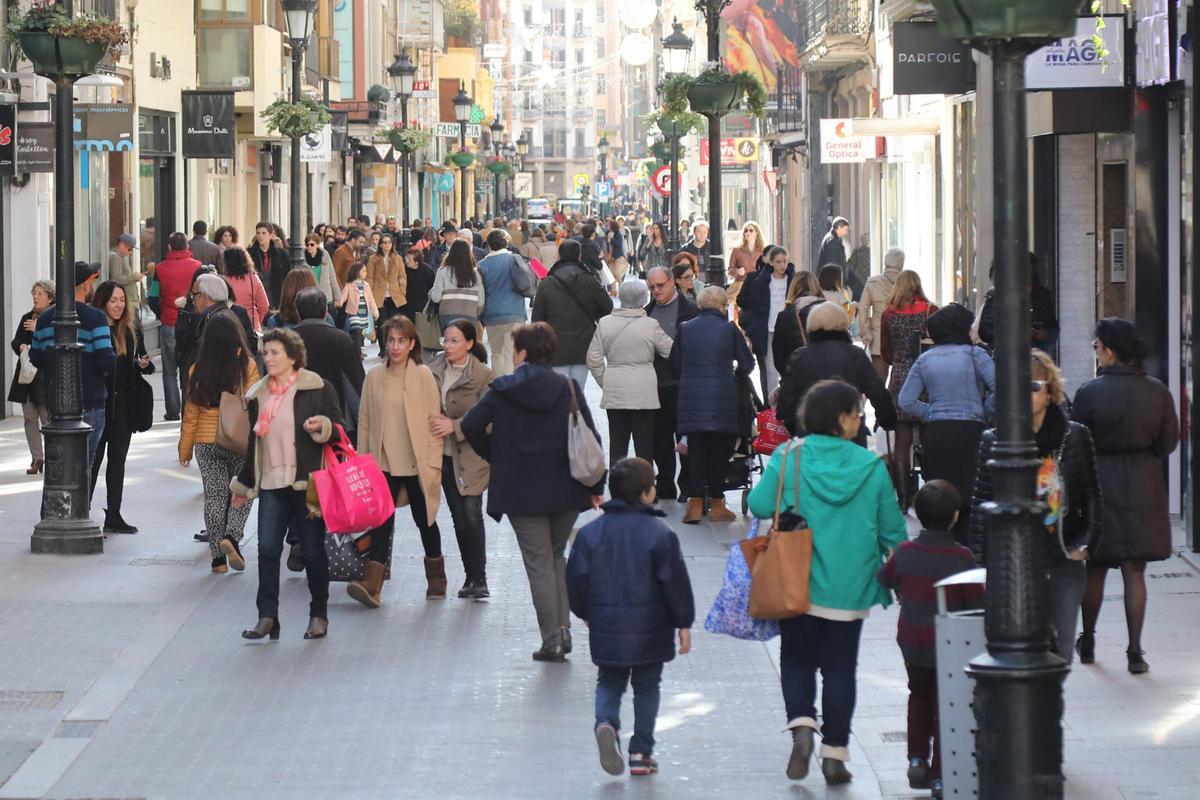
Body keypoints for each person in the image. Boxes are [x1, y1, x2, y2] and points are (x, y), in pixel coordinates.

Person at [746, 380, 907, 785]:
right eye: (856, 413)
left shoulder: (791, 456)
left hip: (795, 579)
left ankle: (802, 724)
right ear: (841, 419)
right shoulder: (870, 466)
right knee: (840, 668)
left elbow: (760, 504)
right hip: (851, 585)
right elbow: (893, 533)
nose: (860, 420)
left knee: (797, 657)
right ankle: (835, 751)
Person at [461, 322, 605, 662]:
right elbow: (590, 436)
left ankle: (552, 639)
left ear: (523, 353)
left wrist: (494, 452)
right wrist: (596, 487)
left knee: (539, 563)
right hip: (566, 488)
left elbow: (469, 426)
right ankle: (564, 629)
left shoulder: (502, 389)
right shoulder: (567, 386)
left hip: (520, 490)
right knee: (556, 556)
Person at [566, 457, 695, 777]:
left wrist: (585, 612)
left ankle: (606, 723)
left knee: (609, 679)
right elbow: (675, 583)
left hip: (606, 625)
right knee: (647, 687)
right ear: (648, 493)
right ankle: (641, 752)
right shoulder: (660, 533)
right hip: (652, 628)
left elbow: (576, 579)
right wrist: (683, 624)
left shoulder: (589, 534)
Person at [972, 350, 1101, 666]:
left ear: (1050, 391)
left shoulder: (1075, 436)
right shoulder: (995, 440)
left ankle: (1051, 713)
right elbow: (980, 507)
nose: (1026, 395)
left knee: (1061, 651)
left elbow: (1093, 497)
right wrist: (978, 565)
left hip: (1063, 557)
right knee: (1020, 650)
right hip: (1014, 560)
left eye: (1034, 387)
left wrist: (1085, 544)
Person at [1073, 319, 1178, 674]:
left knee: (1097, 567)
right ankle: (1135, 652)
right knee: (1135, 570)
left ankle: (1087, 639)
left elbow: (1076, 439)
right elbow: (1169, 442)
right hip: (1144, 482)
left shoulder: (1090, 392)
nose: (1096, 353)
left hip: (1101, 480)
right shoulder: (1158, 391)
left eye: (1097, 347)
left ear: (1109, 350)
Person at [232, 328, 343, 642]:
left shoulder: (317, 388)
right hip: (271, 483)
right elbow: (254, 445)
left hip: (305, 483)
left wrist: (324, 427)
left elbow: (340, 427)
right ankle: (267, 616)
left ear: (293, 356)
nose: (268, 358)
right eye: (265, 353)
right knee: (267, 550)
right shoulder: (259, 394)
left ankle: (318, 614)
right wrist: (243, 486)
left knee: (311, 552)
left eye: (275, 353)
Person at [877, 481, 983, 799]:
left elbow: (885, 577)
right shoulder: (962, 557)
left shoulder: (908, 552)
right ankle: (940, 775)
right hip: (949, 647)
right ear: (954, 517)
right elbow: (975, 604)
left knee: (918, 696)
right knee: (945, 705)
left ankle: (916, 758)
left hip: (912, 641)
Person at [353, 315, 446, 605]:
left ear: (411, 343)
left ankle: (436, 577)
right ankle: (373, 584)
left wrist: (432, 462)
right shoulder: (375, 377)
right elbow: (365, 421)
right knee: (382, 521)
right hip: (384, 463)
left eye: (401, 341)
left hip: (416, 463)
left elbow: (434, 421)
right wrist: (364, 460)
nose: (395, 347)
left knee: (425, 520)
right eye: (391, 340)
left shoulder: (423, 376)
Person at [898, 304, 995, 542]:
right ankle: (968, 547)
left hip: (937, 433)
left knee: (941, 495)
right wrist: (984, 410)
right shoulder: (976, 355)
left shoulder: (925, 359)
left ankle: (942, 545)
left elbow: (906, 400)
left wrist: (931, 412)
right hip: (971, 432)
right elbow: (1001, 388)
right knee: (972, 492)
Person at [179, 313, 259, 573]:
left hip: (206, 441)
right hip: (237, 438)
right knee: (242, 491)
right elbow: (255, 401)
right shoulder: (246, 366)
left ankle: (217, 560)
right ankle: (232, 536)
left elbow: (190, 412)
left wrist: (185, 448)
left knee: (213, 497)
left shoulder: (197, 369)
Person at [672, 286, 754, 524]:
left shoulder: (685, 329)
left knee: (696, 450)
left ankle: (695, 504)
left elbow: (675, 365)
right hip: (722, 398)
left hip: (692, 399)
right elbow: (747, 365)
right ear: (722, 306)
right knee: (719, 450)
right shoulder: (729, 330)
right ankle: (717, 504)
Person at [428, 320, 494, 599]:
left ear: (469, 343)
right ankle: (470, 576)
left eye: (454, 341)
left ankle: (479, 578)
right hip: (441, 454)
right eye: (445, 340)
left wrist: (454, 427)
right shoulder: (432, 369)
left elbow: (489, 417)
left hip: (472, 454)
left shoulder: (483, 375)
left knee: (471, 514)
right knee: (458, 517)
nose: (448, 346)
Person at [30, 262, 114, 475]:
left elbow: (36, 357)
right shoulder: (96, 318)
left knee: (59, 468)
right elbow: (106, 359)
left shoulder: (44, 319)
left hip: (56, 404)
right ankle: (79, 509)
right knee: (84, 467)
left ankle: (56, 508)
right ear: (86, 285)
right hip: (92, 401)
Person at [776, 302, 896, 446]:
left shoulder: (799, 357)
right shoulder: (855, 355)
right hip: (850, 434)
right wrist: (887, 419)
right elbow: (877, 392)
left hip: (810, 437)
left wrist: (794, 426)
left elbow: (786, 400)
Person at [89, 280, 154, 534]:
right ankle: (82, 511)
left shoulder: (130, 328)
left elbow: (143, 363)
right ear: (102, 302)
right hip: (100, 404)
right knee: (93, 461)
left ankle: (113, 513)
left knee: (118, 461)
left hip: (124, 405)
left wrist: (143, 364)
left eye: (122, 300)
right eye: (113, 300)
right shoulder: (96, 328)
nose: (119, 305)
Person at [587, 280, 675, 466]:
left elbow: (593, 359)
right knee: (644, 445)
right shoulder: (651, 325)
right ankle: (644, 488)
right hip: (644, 392)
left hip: (616, 391)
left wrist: (607, 382)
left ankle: (618, 485)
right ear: (643, 300)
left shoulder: (604, 323)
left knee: (618, 443)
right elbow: (671, 352)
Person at [881, 270, 937, 510]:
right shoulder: (930, 311)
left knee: (901, 442)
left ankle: (903, 499)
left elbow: (885, 353)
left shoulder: (888, 314)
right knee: (928, 437)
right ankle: (933, 493)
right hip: (926, 377)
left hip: (901, 377)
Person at [645, 266, 698, 500]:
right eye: (651, 287)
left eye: (660, 285)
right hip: (655, 383)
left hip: (683, 383)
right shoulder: (646, 312)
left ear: (672, 283)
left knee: (685, 438)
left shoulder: (690, 310)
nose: (656, 290)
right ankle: (665, 483)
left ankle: (686, 485)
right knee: (659, 438)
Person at [531, 239, 613, 388]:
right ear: (579, 256)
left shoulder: (547, 283)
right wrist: (593, 313)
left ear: (559, 256)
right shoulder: (589, 281)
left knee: (556, 393)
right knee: (578, 391)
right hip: (583, 345)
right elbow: (608, 307)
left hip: (555, 347)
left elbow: (537, 320)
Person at [293, 288, 365, 442]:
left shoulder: (288, 341)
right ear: (326, 311)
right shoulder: (341, 339)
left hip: (295, 416)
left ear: (298, 312)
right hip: (336, 417)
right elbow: (356, 384)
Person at [737, 245, 793, 400]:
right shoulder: (761, 282)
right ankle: (772, 408)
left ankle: (787, 401)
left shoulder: (792, 280)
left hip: (787, 330)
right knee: (770, 370)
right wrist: (751, 334)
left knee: (789, 367)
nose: (782, 265)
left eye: (785, 261)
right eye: (778, 262)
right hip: (768, 329)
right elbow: (756, 310)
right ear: (771, 263)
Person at [9, 279, 54, 475]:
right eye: (34, 294)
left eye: (40, 294)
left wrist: (38, 330)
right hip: (27, 374)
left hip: (44, 375)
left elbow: (55, 342)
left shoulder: (54, 317)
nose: (35, 297)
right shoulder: (27, 317)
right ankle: (37, 458)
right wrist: (20, 346)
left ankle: (54, 458)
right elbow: (16, 340)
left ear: (50, 297)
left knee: (47, 418)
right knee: (29, 418)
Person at [156, 233, 200, 421]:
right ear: (187, 246)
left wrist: (162, 312)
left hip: (169, 322)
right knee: (189, 367)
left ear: (169, 247)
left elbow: (152, 296)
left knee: (169, 369)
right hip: (191, 323)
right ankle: (188, 407)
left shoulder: (160, 268)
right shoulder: (197, 266)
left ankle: (172, 410)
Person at [975, 253, 1059, 351]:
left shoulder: (1042, 297)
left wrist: (1043, 334)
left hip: (1035, 355)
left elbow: (1053, 330)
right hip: (1005, 354)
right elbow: (985, 331)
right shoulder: (997, 298)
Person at [478, 229, 530, 376]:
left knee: (496, 354)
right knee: (510, 354)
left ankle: (498, 387)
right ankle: (508, 387)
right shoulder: (515, 259)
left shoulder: (482, 265)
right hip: (515, 313)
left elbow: (481, 294)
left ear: (488, 244)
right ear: (507, 243)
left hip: (493, 316)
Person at [858, 247, 905, 380]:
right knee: (900, 380)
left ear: (885, 262)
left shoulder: (873, 282)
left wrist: (866, 332)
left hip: (878, 337)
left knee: (879, 381)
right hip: (901, 336)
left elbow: (863, 308)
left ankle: (881, 402)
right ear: (901, 264)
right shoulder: (906, 282)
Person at [770, 271, 824, 376]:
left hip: (796, 379)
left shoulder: (784, 316)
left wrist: (790, 376)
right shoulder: (829, 311)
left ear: (793, 288)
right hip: (824, 378)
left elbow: (778, 357)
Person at [430, 239, 486, 332]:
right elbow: (480, 302)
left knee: (450, 343)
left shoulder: (442, 271)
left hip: (447, 316)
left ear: (451, 253)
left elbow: (436, 298)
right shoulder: (476, 274)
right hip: (469, 317)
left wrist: (431, 292)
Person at [222, 246, 269, 333]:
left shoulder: (223, 280)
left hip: (229, 323)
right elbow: (264, 305)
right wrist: (257, 318)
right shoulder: (253, 278)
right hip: (251, 324)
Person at [248, 221, 292, 310]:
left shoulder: (282, 255)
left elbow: (287, 277)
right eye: (258, 233)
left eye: (264, 233)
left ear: (271, 235)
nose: (260, 236)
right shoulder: (249, 254)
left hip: (276, 299)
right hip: (255, 300)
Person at [336, 262, 378, 348]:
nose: (366, 273)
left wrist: (375, 311)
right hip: (354, 313)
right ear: (357, 272)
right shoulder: (349, 284)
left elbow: (371, 300)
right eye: (363, 271)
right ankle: (357, 351)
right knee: (356, 331)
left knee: (361, 332)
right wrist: (340, 302)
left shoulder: (366, 285)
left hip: (365, 313)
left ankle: (357, 349)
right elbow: (344, 295)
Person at [367, 232, 405, 326]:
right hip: (379, 295)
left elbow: (402, 276)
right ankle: (382, 341)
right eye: (384, 242)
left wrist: (402, 290)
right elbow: (370, 277)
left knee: (394, 324)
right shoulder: (373, 259)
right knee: (382, 324)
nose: (387, 244)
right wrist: (369, 294)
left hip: (394, 295)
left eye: (389, 242)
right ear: (380, 244)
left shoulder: (398, 258)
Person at [728, 221, 765, 311]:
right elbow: (730, 269)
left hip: (758, 286)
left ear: (757, 234)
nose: (747, 233)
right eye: (745, 230)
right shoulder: (737, 250)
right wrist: (737, 272)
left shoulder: (763, 251)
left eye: (751, 230)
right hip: (740, 285)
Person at [303, 233, 342, 309]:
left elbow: (332, 277)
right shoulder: (302, 258)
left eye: (312, 244)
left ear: (317, 244)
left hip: (325, 296)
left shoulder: (325, 256)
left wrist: (338, 298)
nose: (309, 247)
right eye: (307, 245)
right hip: (308, 297)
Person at [107, 233, 143, 314]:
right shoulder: (116, 257)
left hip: (129, 303)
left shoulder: (119, 257)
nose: (130, 253)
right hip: (128, 304)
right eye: (129, 249)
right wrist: (133, 277)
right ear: (122, 245)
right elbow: (116, 279)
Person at [846, 233, 870, 302]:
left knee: (856, 304)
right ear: (869, 242)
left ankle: (853, 312)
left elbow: (850, 266)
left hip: (857, 285)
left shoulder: (856, 252)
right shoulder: (873, 253)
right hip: (868, 285)